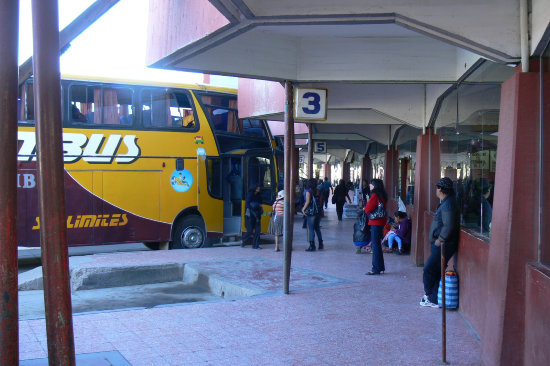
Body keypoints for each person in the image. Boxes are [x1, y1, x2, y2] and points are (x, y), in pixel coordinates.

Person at [420, 177, 460, 308]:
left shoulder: (448, 204)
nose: (436, 190)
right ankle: (434, 299)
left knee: (429, 269)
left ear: (442, 190)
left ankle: (429, 294)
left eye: (437, 187)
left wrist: (440, 239)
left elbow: (448, 225)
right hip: (442, 244)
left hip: (444, 245)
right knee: (437, 270)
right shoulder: (446, 202)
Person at [364, 178, 388, 275]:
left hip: (375, 222)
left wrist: (367, 202)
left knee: (375, 245)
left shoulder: (374, 196)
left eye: (371, 184)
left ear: (375, 186)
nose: (370, 186)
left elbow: (367, 209)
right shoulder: (382, 195)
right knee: (377, 244)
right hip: (381, 222)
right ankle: (380, 267)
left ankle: (375, 268)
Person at [302, 178, 324, 251]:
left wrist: (303, 209)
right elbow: (321, 202)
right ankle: (321, 244)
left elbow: (307, 202)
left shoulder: (309, 191)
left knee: (311, 229)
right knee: (317, 228)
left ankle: (312, 245)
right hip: (318, 212)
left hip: (311, 213)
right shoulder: (319, 191)